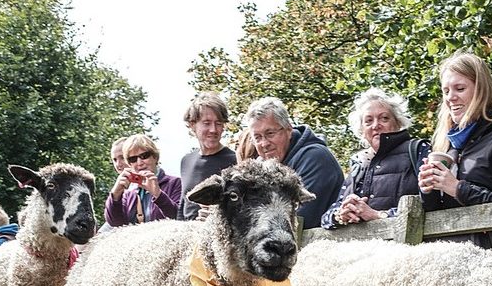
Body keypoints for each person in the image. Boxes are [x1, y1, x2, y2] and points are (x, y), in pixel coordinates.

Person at [417, 51, 492, 254]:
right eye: (445, 91)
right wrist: (428, 189)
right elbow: (435, 212)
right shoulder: (448, 143)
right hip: (451, 258)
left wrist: (459, 189)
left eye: (460, 88)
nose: (450, 98)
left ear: (481, 90)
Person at [321, 88, 429, 229]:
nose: (376, 125)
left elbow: (431, 204)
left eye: (384, 118)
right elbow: (326, 217)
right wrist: (340, 215)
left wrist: (378, 215)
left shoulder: (418, 150)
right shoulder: (359, 164)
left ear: (398, 123)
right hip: (359, 248)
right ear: (361, 129)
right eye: (368, 121)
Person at [244, 97, 343, 229]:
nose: (264, 143)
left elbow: (299, 218)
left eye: (270, 133)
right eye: (257, 137)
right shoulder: (261, 166)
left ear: (288, 130)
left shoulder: (315, 158)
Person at [178, 92, 238, 221]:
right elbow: (182, 207)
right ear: (192, 125)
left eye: (219, 123)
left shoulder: (236, 161)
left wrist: (215, 218)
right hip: (187, 236)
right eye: (207, 123)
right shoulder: (186, 161)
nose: (213, 130)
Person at [105, 134, 182, 227]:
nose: (139, 163)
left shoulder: (175, 183)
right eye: (133, 159)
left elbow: (182, 218)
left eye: (144, 156)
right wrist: (115, 194)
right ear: (129, 164)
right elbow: (115, 223)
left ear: (155, 157)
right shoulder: (128, 192)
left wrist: (158, 194)